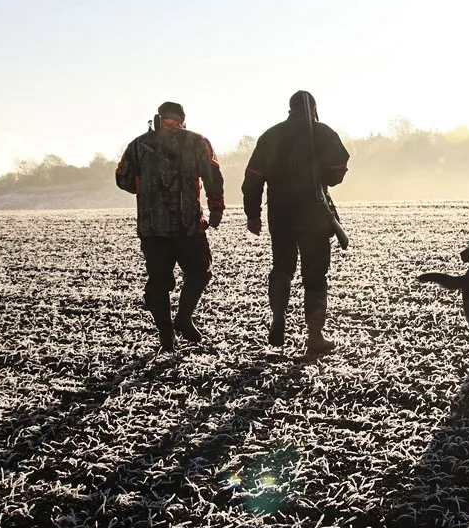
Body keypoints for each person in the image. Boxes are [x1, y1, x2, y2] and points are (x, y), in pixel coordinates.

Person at [242, 91, 350, 355]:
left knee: (282, 268)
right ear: (314, 108)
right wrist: (321, 174)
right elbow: (338, 170)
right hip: (314, 212)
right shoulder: (323, 132)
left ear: (290, 109)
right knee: (315, 275)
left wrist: (252, 214)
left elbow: (253, 178)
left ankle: (278, 317)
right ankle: (315, 336)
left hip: (280, 213)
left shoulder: (270, 136)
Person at [115, 101, 225, 352]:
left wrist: (145, 190)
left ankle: (166, 334)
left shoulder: (138, 145)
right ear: (182, 118)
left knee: (158, 282)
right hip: (188, 225)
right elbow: (213, 175)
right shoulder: (198, 141)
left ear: (159, 117)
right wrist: (216, 207)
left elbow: (122, 178)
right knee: (199, 272)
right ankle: (184, 318)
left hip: (152, 229)